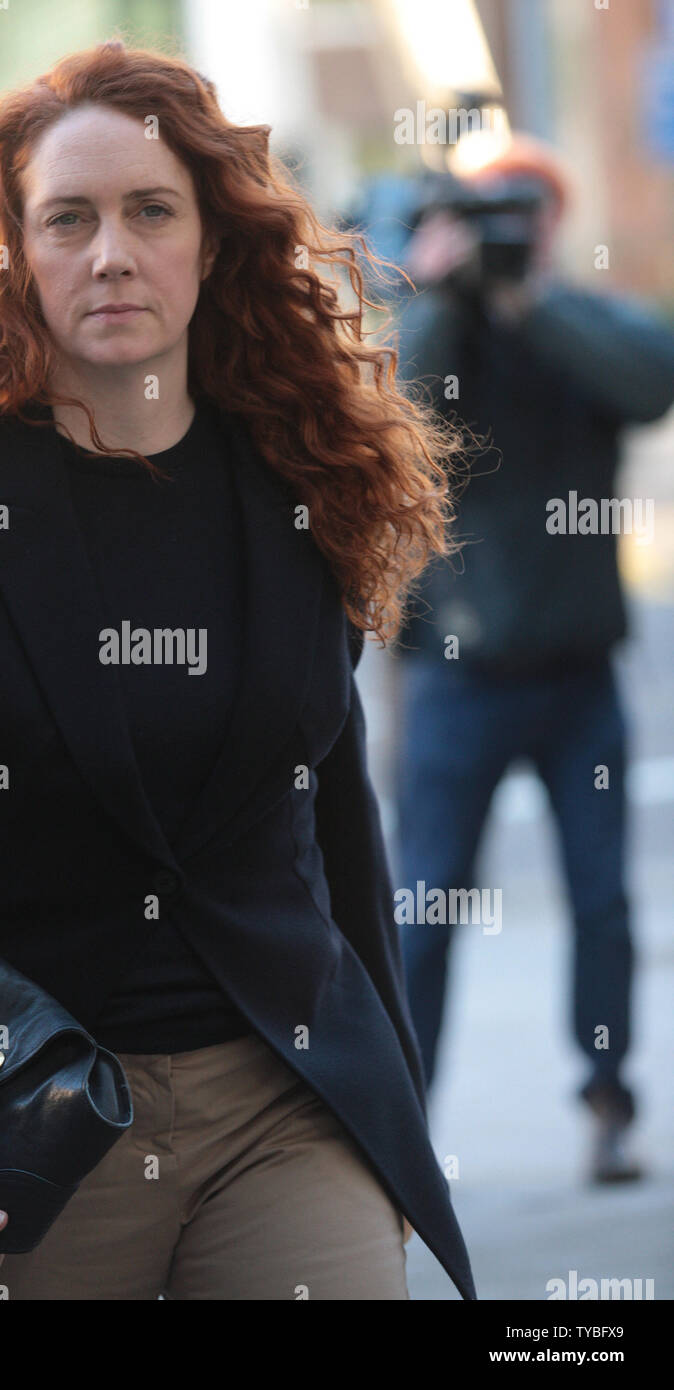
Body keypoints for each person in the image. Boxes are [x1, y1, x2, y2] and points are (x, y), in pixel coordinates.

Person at [0, 40, 476, 1301]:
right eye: (67, 219)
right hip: (23, 1122)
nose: (112, 252)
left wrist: (386, 1113)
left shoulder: (298, 476)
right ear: (16, 252)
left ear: (212, 240)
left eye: (151, 211)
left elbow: (333, 821)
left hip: (281, 1104)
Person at [391, 133, 674, 1182]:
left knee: (601, 905)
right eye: (491, 208)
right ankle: (400, 1123)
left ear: (553, 222)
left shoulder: (576, 322)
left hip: (577, 677)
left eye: (527, 207)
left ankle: (607, 1102)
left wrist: (527, 302)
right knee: (424, 909)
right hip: (457, 677)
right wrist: (442, 292)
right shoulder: (437, 328)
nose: (512, 225)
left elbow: (651, 384)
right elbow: (399, 417)